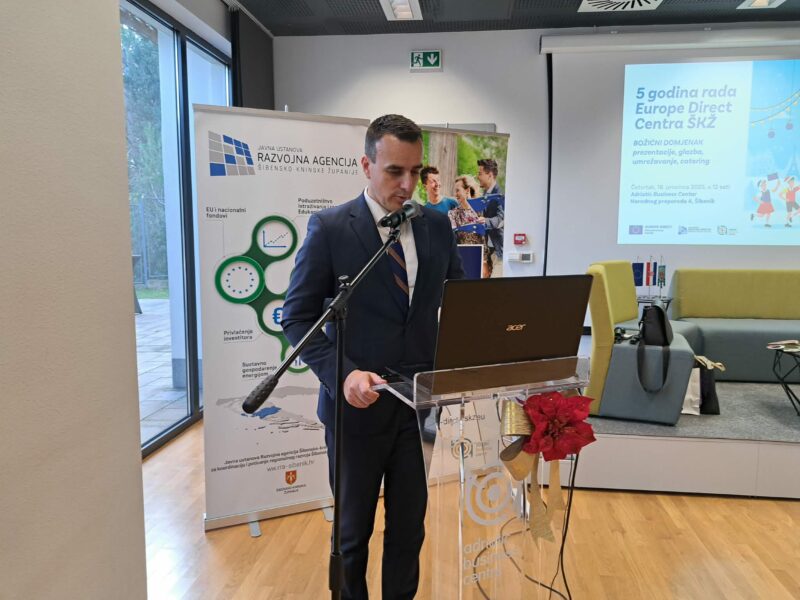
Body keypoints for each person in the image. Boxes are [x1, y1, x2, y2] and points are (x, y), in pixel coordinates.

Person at [281, 114, 464, 600]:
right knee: (351, 536)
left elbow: (462, 304)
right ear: (366, 165)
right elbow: (297, 319)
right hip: (354, 413)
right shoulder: (330, 229)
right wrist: (342, 375)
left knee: (408, 532)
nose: (407, 185)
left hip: (417, 410)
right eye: (394, 171)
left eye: (415, 172)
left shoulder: (437, 226)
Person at [476, 158, 505, 274]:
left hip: (499, 251)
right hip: (489, 252)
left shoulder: (500, 194)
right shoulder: (485, 194)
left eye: (480, 173)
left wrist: (485, 221)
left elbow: (501, 219)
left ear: (490, 175)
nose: (478, 177)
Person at [448, 175, 484, 246]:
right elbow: (452, 238)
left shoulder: (481, 211)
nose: (455, 194)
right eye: (455, 191)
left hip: (482, 251)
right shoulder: (453, 214)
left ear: (467, 190)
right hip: (463, 251)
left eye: (457, 190)